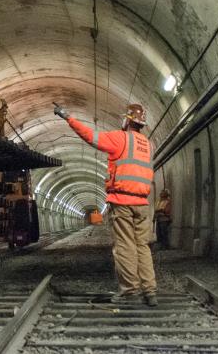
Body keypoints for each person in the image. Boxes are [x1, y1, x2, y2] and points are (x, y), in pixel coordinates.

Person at [54, 103, 158, 307]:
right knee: (142, 247)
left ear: (127, 120)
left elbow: (90, 136)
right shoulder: (148, 144)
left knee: (124, 247)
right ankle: (150, 291)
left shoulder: (121, 138)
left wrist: (68, 117)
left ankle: (130, 290)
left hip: (122, 202)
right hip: (143, 204)